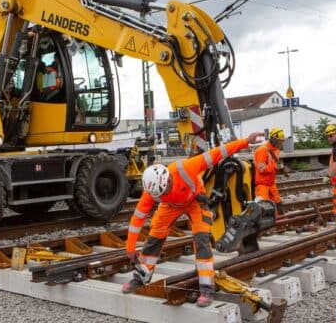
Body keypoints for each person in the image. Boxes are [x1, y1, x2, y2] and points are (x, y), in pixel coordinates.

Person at [122, 131, 267, 307]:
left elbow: (217, 153)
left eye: (165, 191)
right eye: (159, 195)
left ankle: (207, 288)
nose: (163, 194)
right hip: (170, 207)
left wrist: (246, 141)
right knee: (154, 238)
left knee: (202, 240)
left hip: (194, 201)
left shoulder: (186, 168)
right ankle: (141, 277)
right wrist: (130, 247)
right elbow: (137, 219)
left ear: (167, 179)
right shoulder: (151, 193)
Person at [254, 127, 286, 216]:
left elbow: (273, 167)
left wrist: (278, 168)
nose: (282, 143)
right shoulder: (262, 150)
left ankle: (281, 222)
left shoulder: (276, 151)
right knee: (264, 208)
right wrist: (275, 167)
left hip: (271, 183)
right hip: (262, 185)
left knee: (278, 204)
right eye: (280, 141)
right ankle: (268, 226)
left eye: (282, 141)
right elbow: (261, 169)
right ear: (274, 139)